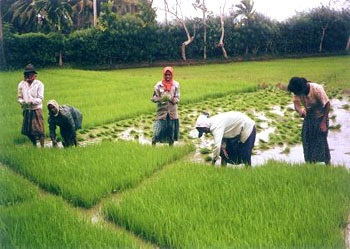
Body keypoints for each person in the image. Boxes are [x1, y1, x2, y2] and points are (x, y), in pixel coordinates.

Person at [288, 77, 331, 164]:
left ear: (303, 88)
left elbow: (327, 104)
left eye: (298, 93)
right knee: (306, 139)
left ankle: (326, 164)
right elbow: (296, 104)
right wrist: (300, 111)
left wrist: (323, 123)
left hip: (321, 117)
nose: (297, 94)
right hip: (309, 117)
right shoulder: (297, 89)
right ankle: (310, 165)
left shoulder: (316, 89)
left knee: (320, 141)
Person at [17, 64, 45, 147]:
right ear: (26, 75)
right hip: (26, 109)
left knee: (40, 130)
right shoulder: (21, 85)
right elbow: (19, 97)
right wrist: (23, 102)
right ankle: (34, 145)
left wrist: (32, 102)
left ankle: (42, 146)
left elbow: (40, 98)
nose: (31, 76)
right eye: (29, 74)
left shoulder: (39, 84)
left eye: (33, 74)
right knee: (27, 130)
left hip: (37, 109)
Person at [151, 67, 180, 146]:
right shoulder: (158, 85)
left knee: (171, 133)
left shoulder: (176, 85)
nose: (168, 77)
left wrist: (170, 98)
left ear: (172, 75)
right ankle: (152, 148)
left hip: (172, 114)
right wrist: (160, 98)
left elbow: (177, 99)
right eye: (166, 75)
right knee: (157, 132)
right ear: (164, 75)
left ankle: (171, 148)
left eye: (169, 75)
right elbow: (153, 98)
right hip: (161, 113)